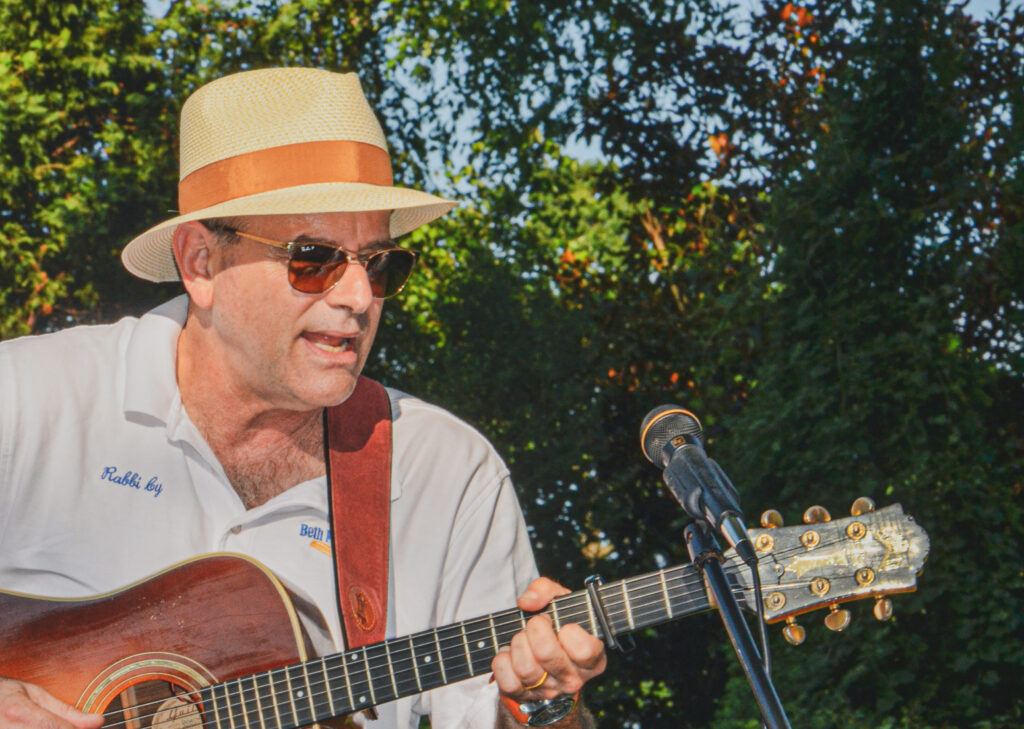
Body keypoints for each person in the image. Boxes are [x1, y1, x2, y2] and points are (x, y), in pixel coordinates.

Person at [0, 68, 606, 729]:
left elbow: (513, 710)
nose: (357, 297)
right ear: (201, 262)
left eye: (379, 264)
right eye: (313, 258)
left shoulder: (448, 475)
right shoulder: (27, 400)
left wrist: (545, 703)